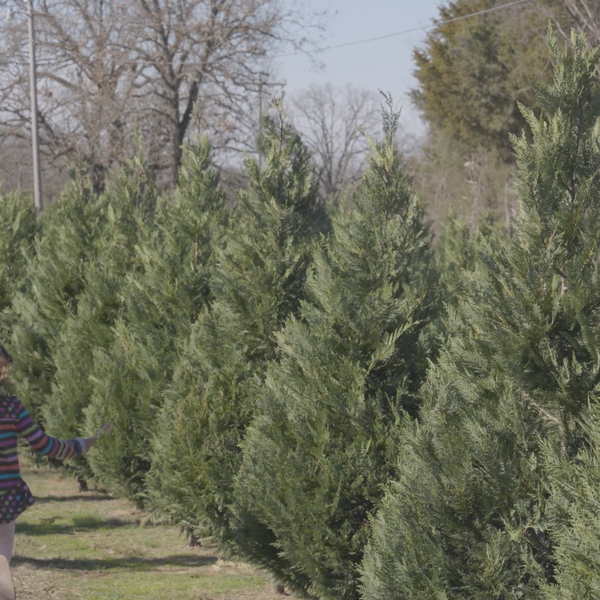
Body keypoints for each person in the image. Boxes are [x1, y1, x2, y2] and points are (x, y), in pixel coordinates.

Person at [0, 343, 112, 599]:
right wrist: (81, 445)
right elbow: (43, 445)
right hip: (4, 499)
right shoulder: (11, 407)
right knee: (1, 557)